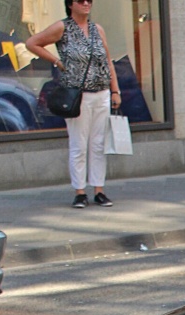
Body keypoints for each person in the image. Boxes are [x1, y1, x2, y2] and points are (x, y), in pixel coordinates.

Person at [26, 0, 119, 209]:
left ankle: (99, 189)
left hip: (101, 92)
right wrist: (57, 61)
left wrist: (115, 89)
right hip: (78, 94)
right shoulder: (63, 28)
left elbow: (108, 61)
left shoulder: (97, 29)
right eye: (80, 0)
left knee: (98, 144)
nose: (86, 3)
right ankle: (79, 191)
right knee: (79, 144)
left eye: (89, 0)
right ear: (70, 4)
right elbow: (32, 43)